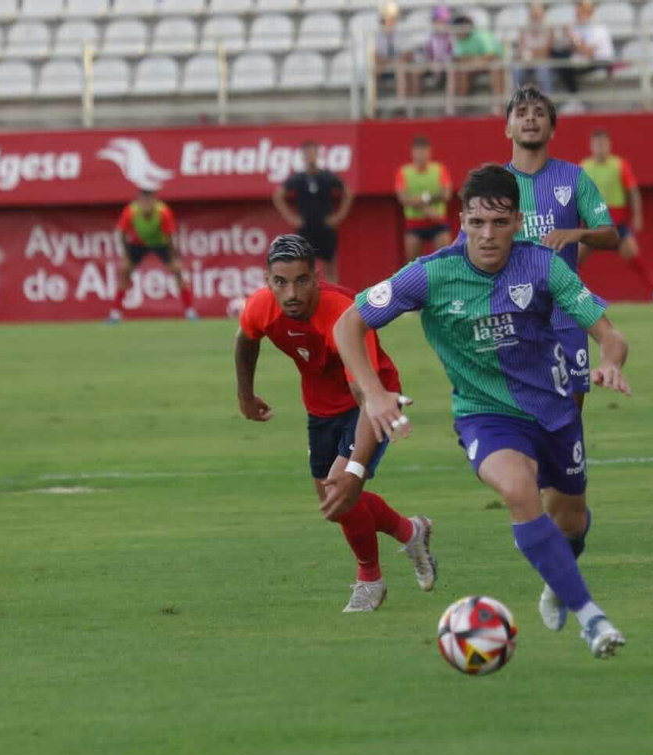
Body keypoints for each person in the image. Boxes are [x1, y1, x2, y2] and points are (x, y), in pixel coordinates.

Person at [333, 164, 631, 658]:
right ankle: (592, 619)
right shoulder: (430, 273)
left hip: (555, 415)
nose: (487, 235)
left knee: (571, 524)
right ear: (462, 221)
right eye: (476, 223)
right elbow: (348, 324)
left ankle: (557, 579)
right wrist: (374, 392)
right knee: (517, 491)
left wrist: (610, 363)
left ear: (518, 221)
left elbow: (610, 335)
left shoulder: (544, 266)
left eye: (498, 222)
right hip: (484, 415)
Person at [234, 234, 437, 613]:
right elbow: (245, 339)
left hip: (374, 399)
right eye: (280, 282)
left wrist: (355, 469)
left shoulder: (343, 314)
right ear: (267, 281)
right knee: (335, 500)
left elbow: (366, 395)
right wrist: (245, 395)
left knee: (342, 488)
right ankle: (412, 531)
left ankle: (370, 581)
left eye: (301, 281)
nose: (291, 293)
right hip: (321, 407)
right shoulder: (261, 306)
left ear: (317, 277)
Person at [504, 83, 618, 407]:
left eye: (539, 113)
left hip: (567, 315)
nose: (530, 118)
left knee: (569, 422)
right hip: (512, 316)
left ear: (552, 129)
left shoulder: (574, 178)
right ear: (507, 128)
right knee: (518, 421)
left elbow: (610, 235)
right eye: (521, 113)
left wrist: (576, 234)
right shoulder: (496, 184)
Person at [578, 128, 653, 304]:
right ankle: (566, 297)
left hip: (616, 224)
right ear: (591, 146)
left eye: (603, 143)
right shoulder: (584, 166)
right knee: (572, 261)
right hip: (592, 224)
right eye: (597, 143)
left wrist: (637, 215)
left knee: (635, 258)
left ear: (609, 145)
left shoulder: (619, 165)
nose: (600, 147)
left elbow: (632, 191)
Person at [106, 187, 196, 324]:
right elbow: (122, 234)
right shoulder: (130, 211)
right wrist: (126, 256)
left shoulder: (163, 212)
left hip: (160, 243)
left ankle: (190, 311)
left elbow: (170, 237)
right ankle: (115, 314)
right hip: (138, 243)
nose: (146, 205)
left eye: (149, 201)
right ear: (138, 201)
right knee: (124, 271)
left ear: (154, 201)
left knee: (177, 271)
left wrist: (173, 258)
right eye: (143, 201)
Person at [272, 142, 352, 282]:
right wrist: (291, 218)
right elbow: (278, 195)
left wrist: (339, 215)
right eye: (307, 154)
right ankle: (309, 293)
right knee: (304, 265)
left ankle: (335, 293)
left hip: (325, 226)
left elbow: (347, 192)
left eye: (312, 153)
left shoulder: (327, 176)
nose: (310, 157)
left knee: (330, 265)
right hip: (306, 228)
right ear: (303, 156)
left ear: (317, 154)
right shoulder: (298, 178)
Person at [395, 136, 454, 263]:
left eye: (424, 152)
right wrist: (426, 209)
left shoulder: (439, 169)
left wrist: (424, 198)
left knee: (446, 260)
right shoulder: (404, 172)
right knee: (413, 264)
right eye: (418, 152)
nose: (421, 156)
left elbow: (446, 194)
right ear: (412, 153)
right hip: (414, 223)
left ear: (429, 152)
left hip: (438, 221)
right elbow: (403, 198)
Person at [559, 0, 614, 96]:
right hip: (588, 60)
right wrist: (568, 38)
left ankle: (575, 97)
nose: (577, 17)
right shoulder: (580, 27)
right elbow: (574, 48)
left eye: (579, 13)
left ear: (588, 13)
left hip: (601, 62)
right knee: (560, 58)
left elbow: (588, 53)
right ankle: (575, 96)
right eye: (576, 14)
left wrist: (573, 39)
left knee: (565, 65)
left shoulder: (599, 29)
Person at [451, 12, 506, 105]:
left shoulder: (482, 34)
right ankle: (460, 106)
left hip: (490, 63)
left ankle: (499, 106)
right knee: (459, 70)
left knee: (496, 67)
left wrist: (475, 61)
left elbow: (492, 55)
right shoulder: (458, 39)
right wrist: (474, 61)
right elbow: (459, 58)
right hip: (474, 65)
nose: (456, 32)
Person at [513, 2, 555, 94]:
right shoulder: (524, 29)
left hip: (541, 61)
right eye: (534, 14)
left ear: (542, 15)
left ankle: (548, 99)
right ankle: (515, 99)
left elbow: (546, 52)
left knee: (543, 71)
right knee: (516, 69)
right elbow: (520, 49)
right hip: (526, 61)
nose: (535, 17)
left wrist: (531, 54)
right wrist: (528, 56)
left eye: (538, 14)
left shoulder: (549, 30)